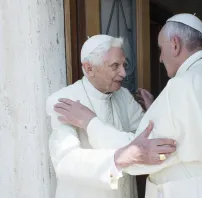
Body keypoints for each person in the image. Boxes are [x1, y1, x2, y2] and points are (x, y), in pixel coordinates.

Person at [55, 13, 202, 198]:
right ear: (89, 68)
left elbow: (140, 151)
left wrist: (91, 122)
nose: (161, 58)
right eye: (115, 66)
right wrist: (159, 108)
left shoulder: (183, 85)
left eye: (160, 49)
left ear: (175, 45)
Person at [45, 35, 176, 198]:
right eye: (115, 66)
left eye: (124, 65)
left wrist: (154, 111)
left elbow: (147, 136)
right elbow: (66, 161)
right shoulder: (63, 100)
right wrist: (119, 159)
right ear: (89, 68)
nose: (124, 73)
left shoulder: (124, 95)